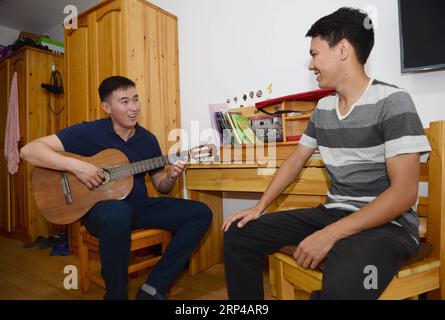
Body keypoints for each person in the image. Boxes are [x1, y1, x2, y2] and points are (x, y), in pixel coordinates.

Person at [222, 7, 431, 300]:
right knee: (239, 234)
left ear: (343, 50)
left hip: (388, 225)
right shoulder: (323, 109)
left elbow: (404, 194)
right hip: (333, 212)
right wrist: (260, 207)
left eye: (315, 53)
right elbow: (296, 160)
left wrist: (331, 234)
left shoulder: (393, 102)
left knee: (344, 282)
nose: (310, 64)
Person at [20, 75, 213, 300]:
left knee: (200, 213)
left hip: (138, 206)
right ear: (107, 107)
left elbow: (162, 186)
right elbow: (29, 151)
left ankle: (153, 288)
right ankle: (116, 295)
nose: (133, 108)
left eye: (136, 99)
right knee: (118, 213)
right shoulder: (88, 132)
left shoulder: (148, 140)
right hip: (98, 211)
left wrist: (170, 176)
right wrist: (78, 167)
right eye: (124, 101)